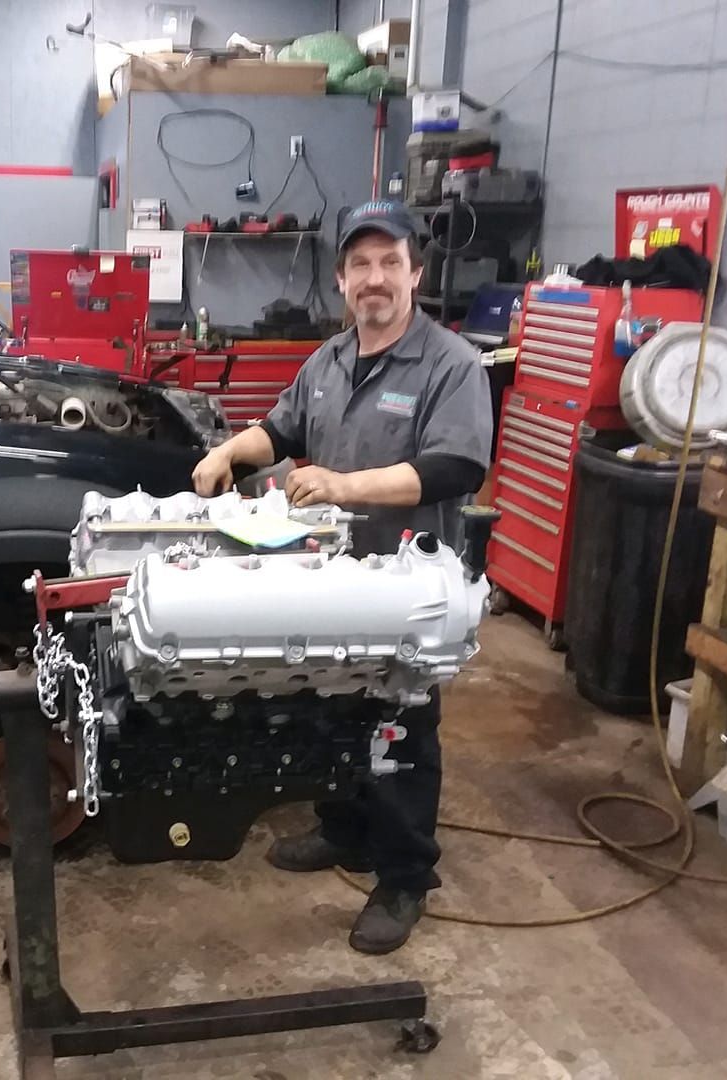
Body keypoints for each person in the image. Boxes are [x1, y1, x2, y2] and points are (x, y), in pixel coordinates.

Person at [191, 200, 494, 954]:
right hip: (330, 579)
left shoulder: (450, 364)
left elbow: (456, 466)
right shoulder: (325, 361)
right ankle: (343, 831)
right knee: (331, 711)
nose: (375, 278)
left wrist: (345, 486)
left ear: (415, 274)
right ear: (341, 280)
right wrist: (230, 451)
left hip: (405, 586)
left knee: (399, 727)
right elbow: (282, 430)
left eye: (391, 262)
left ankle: (401, 876)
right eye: (360, 265)